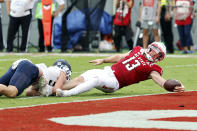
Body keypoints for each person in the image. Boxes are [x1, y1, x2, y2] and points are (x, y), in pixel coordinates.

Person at [56, 42, 185, 97]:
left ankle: (67, 94)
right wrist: (103, 60)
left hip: (115, 83)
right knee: (82, 78)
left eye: (157, 54)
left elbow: (161, 81)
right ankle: (54, 90)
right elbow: (120, 57)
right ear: (150, 47)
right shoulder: (138, 50)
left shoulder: (153, 68)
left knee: (95, 80)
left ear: (159, 58)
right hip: (107, 71)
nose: (152, 54)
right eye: (153, 50)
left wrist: (175, 85)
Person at [0, 59, 71, 98]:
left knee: (6, 91)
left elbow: (28, 92)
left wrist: (40, 92)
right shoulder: (63, 73)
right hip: (28, 68)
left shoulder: (51, 72)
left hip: (25, 66)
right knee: (12, 92)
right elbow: (56, 90)